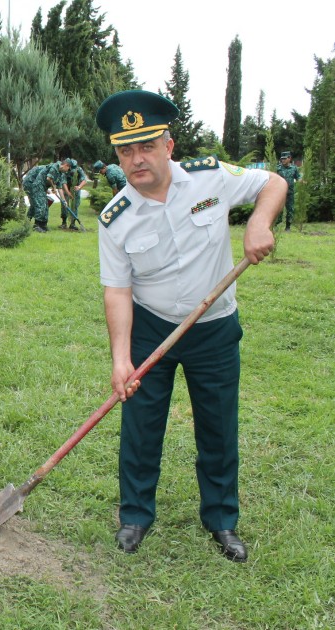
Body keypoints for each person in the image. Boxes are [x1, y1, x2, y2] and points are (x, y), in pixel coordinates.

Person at [95, 90, 286, 562]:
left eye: (145, 146)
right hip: (152, 328)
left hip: (214, 328)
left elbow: (273, 183)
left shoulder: (211, 178)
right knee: (141, 426)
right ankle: (135, 516)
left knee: (218, 427)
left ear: (168, 145)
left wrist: (259, 223)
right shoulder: (114, 219)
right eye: (125, 151)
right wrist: (122, 360)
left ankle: (222, 520)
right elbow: (117, 290)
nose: (136, 160)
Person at [22, 159, 70, 232]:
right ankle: (36, 225)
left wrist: (64, 201)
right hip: (31, 183)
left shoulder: (61, 173)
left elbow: (60, 188)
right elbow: (48, 178)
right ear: (66, 165)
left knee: (44, 204)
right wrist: (53, 187)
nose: (68, 171)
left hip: (39, 184)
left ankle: (43, 224)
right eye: (68, 168)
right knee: (39, 204)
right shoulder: (54, 167)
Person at [276, 151, 302, 231]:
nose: (283, 160)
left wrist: (301, 180)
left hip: (290, 193)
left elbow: (298, 177)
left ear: (289, 158)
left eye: (284, 159)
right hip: (280, 193)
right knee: (278, 209)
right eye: (282, 159)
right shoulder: (278, 168)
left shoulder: (294, 168)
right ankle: (275, 224)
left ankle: (288, 227)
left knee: (290, 210)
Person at [62, 158, 89, 230]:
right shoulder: (65, 170)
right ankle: (64, 222)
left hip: (76, 188)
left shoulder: (79, 169)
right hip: (66, 188)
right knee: (65, 204)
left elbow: (84, 180)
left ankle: (72, 223)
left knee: (75, 205)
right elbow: (63, 182)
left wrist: (79, 187)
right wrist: (68, 192)